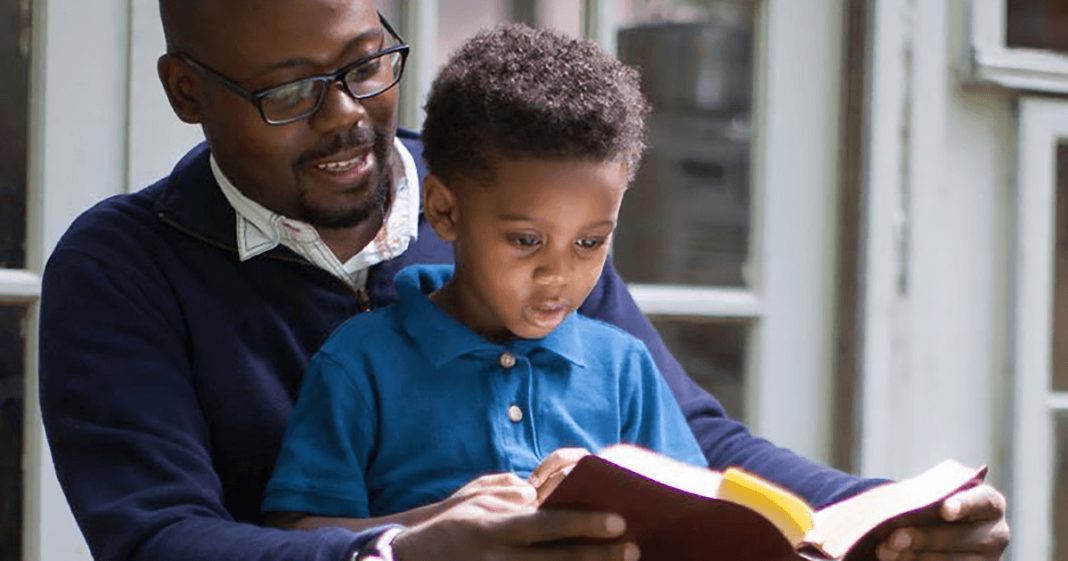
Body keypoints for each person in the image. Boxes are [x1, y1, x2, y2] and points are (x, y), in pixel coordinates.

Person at [35, 1, 1009, 561]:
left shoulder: (514, 193)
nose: (344, 115)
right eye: (288, 91)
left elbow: (688, 436)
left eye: (365, 63)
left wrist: (883, 516)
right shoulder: (121, 271)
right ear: (185, 91)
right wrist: (399, 557)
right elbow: (161, 542)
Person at [260, 23, 707, 533]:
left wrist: (616, 489)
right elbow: (295, 535)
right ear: (445, 211)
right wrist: (435, 525)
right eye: (525, 240)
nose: (557, 272)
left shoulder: (625, 369)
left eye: (589, 242)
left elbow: (696, 520)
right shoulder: (359, 365)